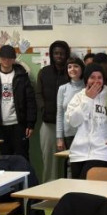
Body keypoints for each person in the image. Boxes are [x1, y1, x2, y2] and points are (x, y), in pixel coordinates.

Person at [65, 63, 107, 179]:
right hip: (78, 154)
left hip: (102, 152)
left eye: (99, 77)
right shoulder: (79, 96)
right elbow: (73, 122)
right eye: (92, 77)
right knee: (77, 187)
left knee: (86, 186)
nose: (96, 81)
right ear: (87, 79)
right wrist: (88, 99)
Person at [36, 40, 70, 181]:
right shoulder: (44, 72)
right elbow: (38, 94)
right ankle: (49, 192)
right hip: (49, 123)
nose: (59, 56)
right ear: (51, 54)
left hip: (69, 126)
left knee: (70, 161)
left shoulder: (71, 72)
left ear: (66, 55)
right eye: (56, 53)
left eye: (62, 53)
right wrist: (44, 108)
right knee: (50, 162)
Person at [0, 45, 36, 159]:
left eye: (9, 58)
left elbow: (30, 101)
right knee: (3, 159)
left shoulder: (22, 76)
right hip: (1, 126)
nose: (6, 61)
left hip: (19, 125)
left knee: (21, 158)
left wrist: (30, 124)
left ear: (14, 59)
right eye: (3, 58)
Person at [56, 57, 85, 151]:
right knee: (70, 160)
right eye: (69, 67)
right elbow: (60, 114)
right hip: (68, 134)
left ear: (82, 68)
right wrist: (59, 138)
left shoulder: (88, 87)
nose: (72, 69)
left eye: (76, 66)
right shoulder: (62, 89)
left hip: (85, 133)